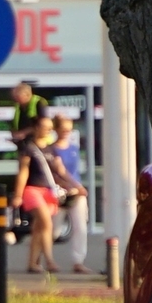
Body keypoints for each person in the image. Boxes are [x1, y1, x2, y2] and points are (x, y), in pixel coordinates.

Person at [14, 118, 64, 274]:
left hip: (47, 191)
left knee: (38, 229)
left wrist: (72, 186)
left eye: (50, 128)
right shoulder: (29, 148)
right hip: (32, 190)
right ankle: (50, 260)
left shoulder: (51, 149)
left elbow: (59, 171)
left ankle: (32, 263)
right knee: (46, 223)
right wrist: (18, 194)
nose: (47, 130)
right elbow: (23, 171)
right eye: (44, 127)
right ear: (36, 128)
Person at [52, 114, 92, 273]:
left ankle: (78, 261)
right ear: (56, 130)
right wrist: (72, 186)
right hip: (59, 191)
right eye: (63, 130)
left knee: (80, 226)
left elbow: (74, 171)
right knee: (53, 228)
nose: (66, 133)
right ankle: (45, 258)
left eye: (69, 129)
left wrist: (77, 187)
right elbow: (57, 173)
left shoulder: (74, 148)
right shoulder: (52, 149)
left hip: (76, 191)